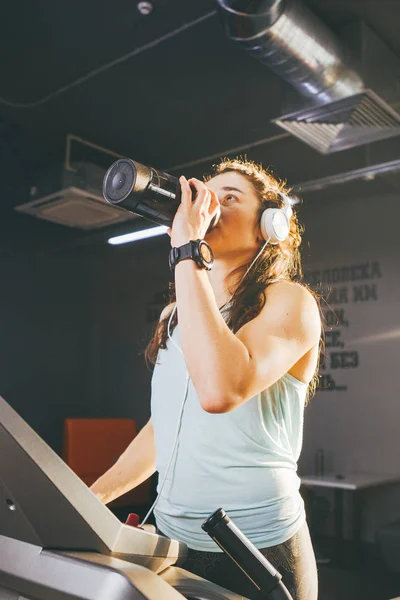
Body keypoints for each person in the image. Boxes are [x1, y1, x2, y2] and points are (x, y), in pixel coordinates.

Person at [91, 158, 322, 600]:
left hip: (257, 549)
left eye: (229, 197)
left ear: (268, 227)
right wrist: (89, 500)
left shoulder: (289, 301)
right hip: (174, 539)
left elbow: (219, 391)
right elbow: (166, 431)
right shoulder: (175, 316)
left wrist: (186, 249)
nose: (209, 204)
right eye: (205, 194)